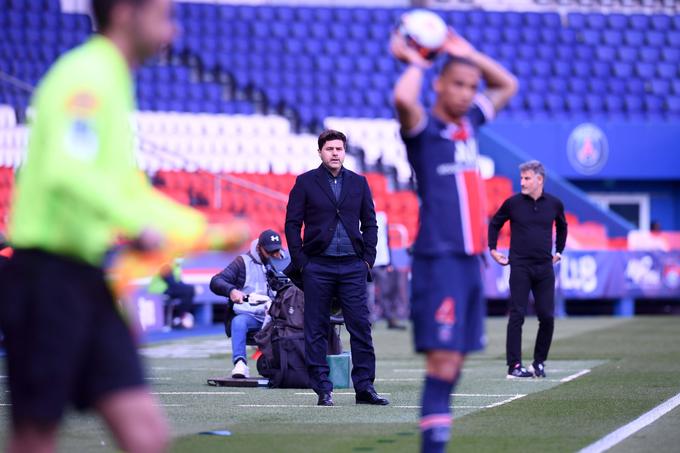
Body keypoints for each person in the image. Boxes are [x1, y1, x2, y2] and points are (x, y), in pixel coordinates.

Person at [0, 1, 210, 452]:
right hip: (46, 280)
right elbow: (67, 169)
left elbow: (127, 190)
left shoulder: (113, 80)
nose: (172, 31)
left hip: (88, 278)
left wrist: (204, 225)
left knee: (146, 434)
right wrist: (139, 226)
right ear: (123, 13)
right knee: (35, 438)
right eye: (163, 16)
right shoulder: (88, 76)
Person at [391, 29, 517, 452]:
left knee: (455, 361)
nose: (466, 93)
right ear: (440, 86)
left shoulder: (471, 125)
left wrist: (469, 53)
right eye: (458, 84)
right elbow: (404, 101)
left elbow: (507, 85)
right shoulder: (425, 133)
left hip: (469, 262)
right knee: (442, 359)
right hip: (439, 259)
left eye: (471, 87)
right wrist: (417, 63)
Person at [284, 129, 388, 407]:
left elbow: (370, 223)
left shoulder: (359, 182)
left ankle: (365, 388)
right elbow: (292, 225)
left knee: (361, 328)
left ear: (344, 152)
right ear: (320, 152)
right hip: (317, 265)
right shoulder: (305, 182)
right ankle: (323, 389)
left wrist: (368, 258)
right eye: (329, 148)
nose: (334, 153)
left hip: (353, 266)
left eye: (338, 149)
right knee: (316, 329)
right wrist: (301, 262)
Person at [488, 160, 568, 379]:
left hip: (544, 268)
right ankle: (514, 366)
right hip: (520, 267)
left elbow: (562, 226)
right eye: (521, 178)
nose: (522, 182)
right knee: (517, 315)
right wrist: (493, 250)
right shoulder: (512, 203)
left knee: (547, 317)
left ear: (539, 179)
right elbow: (495, 224)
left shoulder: (554, 204)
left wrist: (559, 250)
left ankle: (538, 363)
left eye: (527, 178)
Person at [210, 229, 284, 379]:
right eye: (270, 251)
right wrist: (231, 291)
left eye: (277, 250)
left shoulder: (284, 261)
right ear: (259, 248)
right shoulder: (241, 262)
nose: (274, 254)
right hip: (251, 315)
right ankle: (240, 363)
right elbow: (216, 281)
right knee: (238, 322)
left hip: (276, 314)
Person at [148, 259, 196, 329]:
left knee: (189, 290)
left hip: (169, 288)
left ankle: (180, 316)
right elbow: (171, 282)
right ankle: (180, 317)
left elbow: (179, 282)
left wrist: (192, 288)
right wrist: (189, 288)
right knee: (188, 290)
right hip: (159, 289)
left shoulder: (176, 266)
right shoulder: (165, 264)